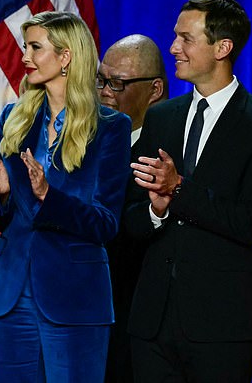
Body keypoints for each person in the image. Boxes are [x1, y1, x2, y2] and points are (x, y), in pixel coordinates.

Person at [0, 11, 131, 382]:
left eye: (35, 47)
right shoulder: (13, 118)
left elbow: (105, 223)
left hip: (74, 298)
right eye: (26, 46)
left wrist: (47, 195)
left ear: (66, 56)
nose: (24, 56)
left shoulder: (110, 129)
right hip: (10, 295)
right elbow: (5, 217)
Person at [125, 0, 252, 382]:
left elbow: (249, 222)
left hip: (222, 328)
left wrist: (179, 190)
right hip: (152, 323)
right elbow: (130, 217)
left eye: (185, 38)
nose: (173, 48)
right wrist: (156, 210)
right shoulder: (160, 117)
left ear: (223, 48)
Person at [98, 34, 169, 383]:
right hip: (92, 312)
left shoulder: (170, 152)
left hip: (144, 322)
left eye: (117, 83)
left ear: (155, 89)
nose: (105, 91)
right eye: (101, 80)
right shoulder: (90, 140)